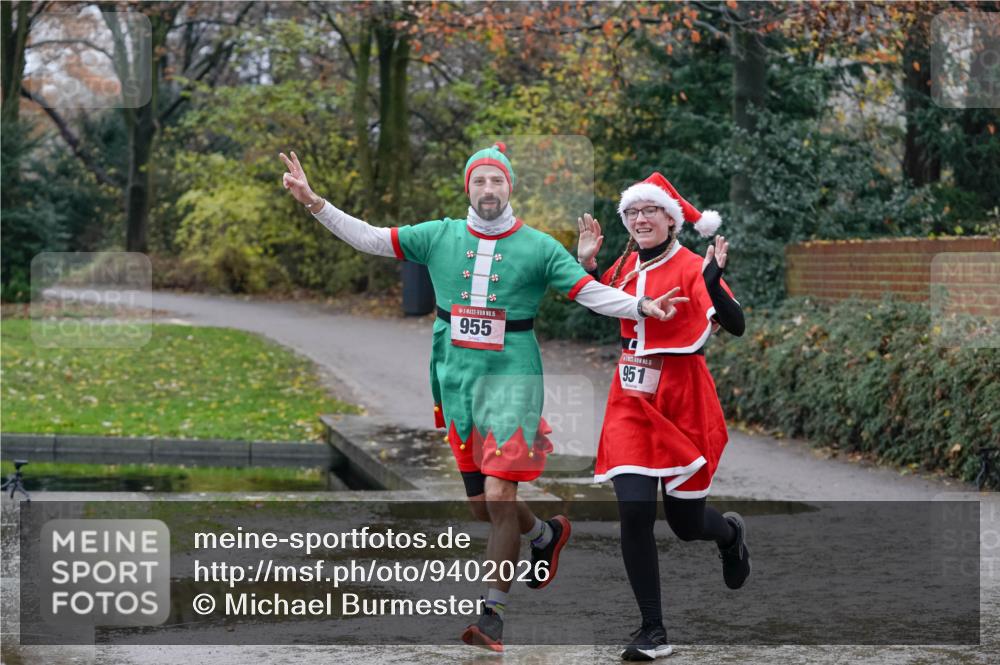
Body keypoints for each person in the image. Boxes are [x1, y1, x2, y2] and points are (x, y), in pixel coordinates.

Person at [279, 145, 688, 653]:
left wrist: (642, 305)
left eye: (497, 181)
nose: (488, 189)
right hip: (456, 383)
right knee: (483, 508)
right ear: (468, 188)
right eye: (480, 181)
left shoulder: (539, 247)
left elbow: (589, 292)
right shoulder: (438, 235)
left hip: (514, 381)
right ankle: (543, 536)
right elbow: (370, 238)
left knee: (498, 497)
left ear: (509, 188)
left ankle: (491, 616)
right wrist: (314, 202)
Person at [576, 172, 750, 661]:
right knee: (633, 511)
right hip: (631, 396)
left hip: (682, 396)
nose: (640, 219)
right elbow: (597, 300)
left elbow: (736, 324)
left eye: (650, 210)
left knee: (685, 524)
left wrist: (713, 284)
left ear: (671, 220)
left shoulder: (693, 265)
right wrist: (586, 265)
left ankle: (729, 534)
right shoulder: (624, 265)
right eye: (632, 212)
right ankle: (652, 630)